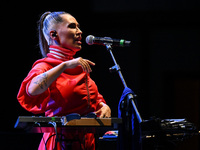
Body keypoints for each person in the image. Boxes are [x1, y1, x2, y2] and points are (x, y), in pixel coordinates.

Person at [17, 11, 111, 150]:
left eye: (78, 26)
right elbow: (31, 90)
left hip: (85, 142)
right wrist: (64, 65)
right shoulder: (45, 66)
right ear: (54, 35)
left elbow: (91, 99)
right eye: (72, 26)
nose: (79, 31)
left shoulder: (80, 66)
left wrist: (103, 105)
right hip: (59, 143)